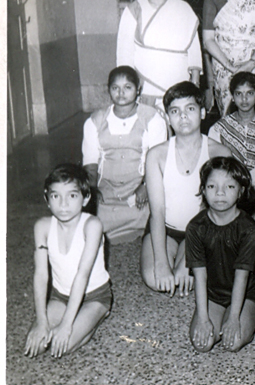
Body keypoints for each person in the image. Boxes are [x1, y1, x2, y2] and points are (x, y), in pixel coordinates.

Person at [141, 82, 232, 297]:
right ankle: (173, 256)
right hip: (165, 228)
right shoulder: (156, 155)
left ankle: (186, 257)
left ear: (202, 113)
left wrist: (191, 258)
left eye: (190, 109)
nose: (182, 116)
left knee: (190, 276)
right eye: (175, 111)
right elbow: (157, 212)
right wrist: (161, 264)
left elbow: (212, 212)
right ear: (168, 118)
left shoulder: (219, 153)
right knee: (155, 279)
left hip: (204, 229)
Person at [25, 164, 112, 358]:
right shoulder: (42, 227)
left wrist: (66, 324)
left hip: (94, 296)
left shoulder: (92, 225)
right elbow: (41, 275)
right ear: (47, 200)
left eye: (72, 196)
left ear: (85, 198)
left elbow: (82, 274)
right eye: (56, 196)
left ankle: (98, 315)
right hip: (61, 296)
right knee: (40, 344)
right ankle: (78, 319)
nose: (63, 204)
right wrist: (41, 322)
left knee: (64, 345)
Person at [82, 66, 168, 244]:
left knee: (158, 214)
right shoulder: (95, 120)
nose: (121, 93)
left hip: (139, 190)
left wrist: (145, 186)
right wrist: (93, 191)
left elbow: (158, 159)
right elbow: (90, 162)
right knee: (90, 224)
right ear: (108, 90)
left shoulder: (152, 118)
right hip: (106, 192)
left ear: (138, 89)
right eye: (115, 88)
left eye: (127, 87)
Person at [186, 157, 255, 353]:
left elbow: (242, 276)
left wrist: (234, 318)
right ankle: (218, 315)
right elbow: (200, 276)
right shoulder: (195, 227)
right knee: (202, 344)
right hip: (213, 294)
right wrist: (203, 318)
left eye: (229, 186)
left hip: (245, 294)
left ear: (241, 191)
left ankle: (240, 314)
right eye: (212, 186)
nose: (220, 192)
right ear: (203, 190)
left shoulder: (248, 229)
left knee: (233, 343)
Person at [116, 0, 202, 111]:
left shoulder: (184, 8)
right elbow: (124, 54)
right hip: (146, 88)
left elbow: (194, 49)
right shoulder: (134, 10)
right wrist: (129, 88)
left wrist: (195, 83)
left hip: (179, 86)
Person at [208, 72, 255, 227]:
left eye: (249, 93)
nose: (244, 99)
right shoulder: (220, 128)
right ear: (232, 97)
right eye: (239, 94)